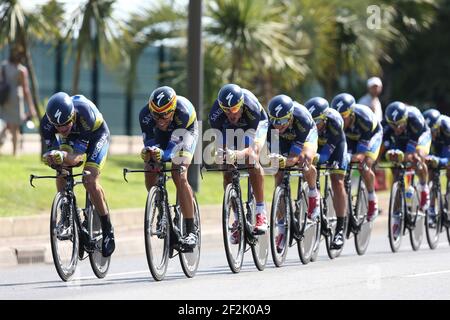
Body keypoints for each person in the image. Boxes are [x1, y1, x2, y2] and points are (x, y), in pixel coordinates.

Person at [40, 92, 115, 257]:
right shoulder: (46, 123)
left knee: (89, 179)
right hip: (73, 138)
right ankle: (67, 211)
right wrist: (53, 158)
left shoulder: (84, 113)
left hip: (96, 136)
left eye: (65, 124)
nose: (61, 129)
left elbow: (78, 158)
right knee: (61, 170)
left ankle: (108, 228)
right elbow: (54, 152)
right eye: (57, 126)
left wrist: (63, 157)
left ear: (72, 115)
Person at [139, 86, 199, 249]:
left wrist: (163, 154)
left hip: (185, 132)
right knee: (150, 166)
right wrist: (149, 153)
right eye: (156, 114)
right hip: (162, 136)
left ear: (172, 110)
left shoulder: (183, 113)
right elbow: (151, 145)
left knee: (179, 173)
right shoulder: (145, 116)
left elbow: (173, 149)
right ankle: (160, 210)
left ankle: (191, 230)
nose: (160, 118)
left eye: (164, 114)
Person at [208, 83, 269, 244]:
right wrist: (224, 154)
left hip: (255, 125)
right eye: (227, 110)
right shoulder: (216, 114)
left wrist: (237, 154)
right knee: (225, 164)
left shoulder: (252, 109)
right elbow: (220, 144)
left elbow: (250, 150)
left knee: (252, 160)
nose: (231, 114)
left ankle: (261, 212)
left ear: (241, 105)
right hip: (228, 130)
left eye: (234, 109)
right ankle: (237, 218)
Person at [266, 94, 320, 252]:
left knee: (304, 160)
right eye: (275, 121)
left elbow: (294, 157)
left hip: (305, 135)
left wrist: (287, 160)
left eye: (282, 121)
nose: (278, 125)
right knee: (278, 172)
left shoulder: (301, 118)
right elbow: (274, 154)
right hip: (283, 140)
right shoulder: (272, 126)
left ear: (290, 116)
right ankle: (281, 229)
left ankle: (312, 193)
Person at [331, 93, 383, 221]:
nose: (340, 121)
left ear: (351, 113)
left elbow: (360, 155)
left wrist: (350, 157)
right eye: (338, 117)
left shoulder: (364, 119)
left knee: (364, 165)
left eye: (344, 117)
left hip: (371, 136)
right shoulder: (335, 121)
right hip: (351, 138)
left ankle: (371, 198)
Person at [306, 97, 348, 250]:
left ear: (324, 118)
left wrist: (322, 159)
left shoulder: (335, 121)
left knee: (337, 180)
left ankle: (340, 229)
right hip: (316, 144)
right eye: (312, 122)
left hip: (335, 145)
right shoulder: (306, 122)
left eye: (317, 122)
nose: (314, 125)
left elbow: (328, 150)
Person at [384, 102, 431, 236]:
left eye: (399, 124)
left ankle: (423, 188)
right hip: (402, 140)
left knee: (417, 158)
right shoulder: (388, 124)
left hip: (420, 136)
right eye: (393, 125)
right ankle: (397, 217)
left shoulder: (414, 119)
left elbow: (411, 151)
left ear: (405, 119)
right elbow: (384, 142)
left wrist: (408, 156)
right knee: (396, 170)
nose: (396, 128)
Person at [0, 45, 37, 155]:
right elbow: (26, 89)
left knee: (7, 124)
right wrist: (31, 107)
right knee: (14, 126)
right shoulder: (22, 70)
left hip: (5, 97)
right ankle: (15, 152)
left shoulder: (4, 66)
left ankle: (3, 146)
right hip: (16, 98)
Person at [423, 108, 450, 226]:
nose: (431, 134)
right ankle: (431, 209)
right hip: (438, 148)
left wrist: (439, 161)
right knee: (431, 171)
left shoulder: (447, 128)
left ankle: (447, 203)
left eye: (433, 131)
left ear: (438, 126)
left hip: (447, 146)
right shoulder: (427, 131)